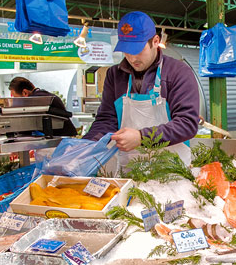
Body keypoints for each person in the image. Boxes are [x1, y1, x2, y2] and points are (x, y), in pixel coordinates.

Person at [83, 11, 199, 169]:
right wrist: (86, 146)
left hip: (171, 170)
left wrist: (141, 137)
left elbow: (187, 124)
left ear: (155, 41)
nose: (132, 58)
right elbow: (106, 120)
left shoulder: (178, 72)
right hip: (129, 168)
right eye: (126, 50)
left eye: (138, 50)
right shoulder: (114, 75)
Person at [9, 77, 77, 136]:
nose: (17, 101)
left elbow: (26, 125)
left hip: (63, 139)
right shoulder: (41, 95)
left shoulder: (36, 99)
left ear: (25, 92)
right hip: (64, 136)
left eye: (16, 97)